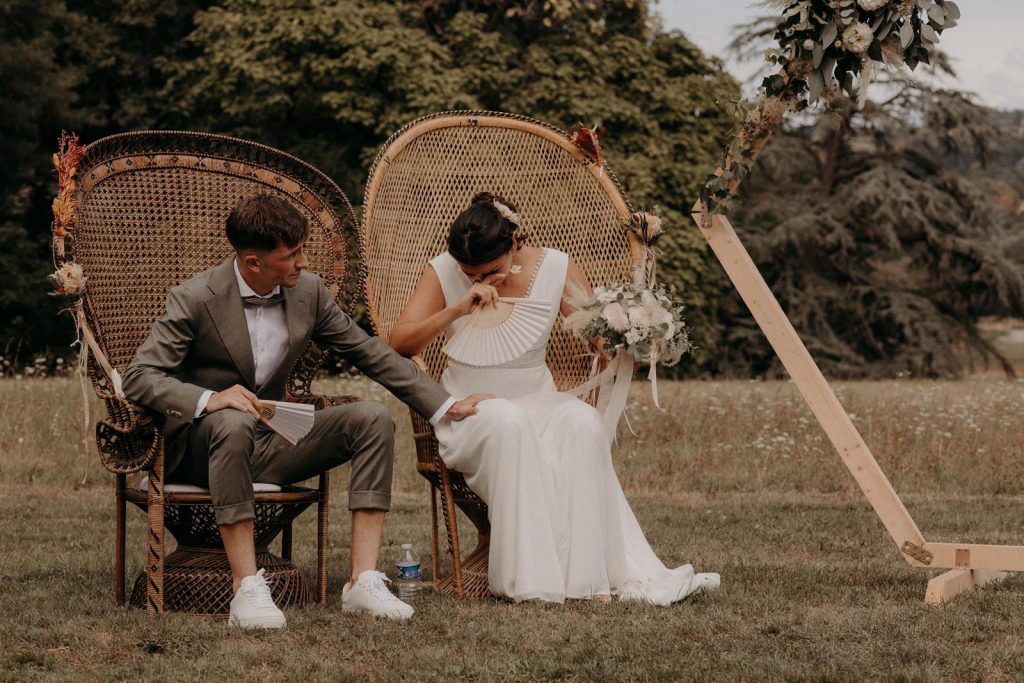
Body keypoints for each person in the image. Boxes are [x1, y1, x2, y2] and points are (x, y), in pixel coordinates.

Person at [123, 193, 489, 628]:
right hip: (203, 448)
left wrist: (445, 405)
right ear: (254, 262)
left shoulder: (308, 293)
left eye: (303, 249)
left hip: (271, 441)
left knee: (371, 418)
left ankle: (362, 581)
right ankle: (247, 588)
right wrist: (210, 399)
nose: (302, 261)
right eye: (292, 254)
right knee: (233, 420)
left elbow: (370, 352)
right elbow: (140, 376)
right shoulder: (194, 297)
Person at [389, 192, 720, 604]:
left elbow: (594, 332)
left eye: (487, 271)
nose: (477, 280)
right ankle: (532, 582)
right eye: (467, 272)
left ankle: (587, 580)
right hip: (470, 409)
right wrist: (456, 309)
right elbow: (398, 342)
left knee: (580, 422)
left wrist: (630, 332)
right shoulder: (442, 271)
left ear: (514, 244)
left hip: (538, 401)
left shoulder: (556, 267)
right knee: (507, 421)